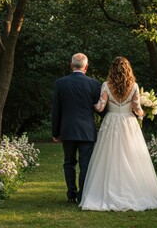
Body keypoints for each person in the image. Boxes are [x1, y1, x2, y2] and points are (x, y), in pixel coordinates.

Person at [79, 56, 157, 211]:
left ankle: (107, 191)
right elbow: (137, 108)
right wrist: (144, 112)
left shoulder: (106, 85)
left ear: (112, 69)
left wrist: (91, 105)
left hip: (111, 122)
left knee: (109, 156)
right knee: (131, 155)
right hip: (128, 123)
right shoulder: (133, 86)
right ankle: (133, 191)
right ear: (128, 69)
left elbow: (100, 107)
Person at [51, 53, 102, 203]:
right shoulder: (94, 84)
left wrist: (55, 132)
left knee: (69, 163)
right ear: (86, 66)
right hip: (87, 131)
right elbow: (101, 109)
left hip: (67, 129)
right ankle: (82, 196)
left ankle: (71, 195)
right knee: (86, 164)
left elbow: (56, 110)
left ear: (71, 65)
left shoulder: (60, 83)